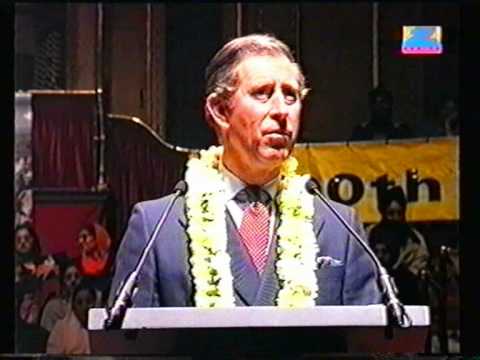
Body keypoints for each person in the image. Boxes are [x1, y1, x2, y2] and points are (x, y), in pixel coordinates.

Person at [108, 34, 382, 309]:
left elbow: (368, 342)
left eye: (291, 96)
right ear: (220, 111)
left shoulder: (340, 228)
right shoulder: (156, 226)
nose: (281, 111)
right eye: (262, 93)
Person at [367, 186, 429, 304]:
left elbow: (419, 266)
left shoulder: (414, 239)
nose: (395, 218)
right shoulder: (369, 234)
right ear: (383, 212)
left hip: (406, 296)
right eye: (391, 213)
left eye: (399, 213)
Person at [46, 280, 97, 355]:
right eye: (79, 303)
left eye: (89, 302)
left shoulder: (104, 327)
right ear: (73, 307)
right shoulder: (61, 327)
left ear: (95, 303)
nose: (85, 307)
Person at [76, 223, 114, 306]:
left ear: (97, 237)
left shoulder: (113, 260)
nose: (81, 241)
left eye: (85, 237)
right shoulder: (78, 263)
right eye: (79, 238)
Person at [40, 259, 82, 332]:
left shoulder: (89, 303)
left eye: (77, 276)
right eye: (69, 277)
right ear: (63, 281)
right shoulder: (53, 306)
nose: (73, 281)